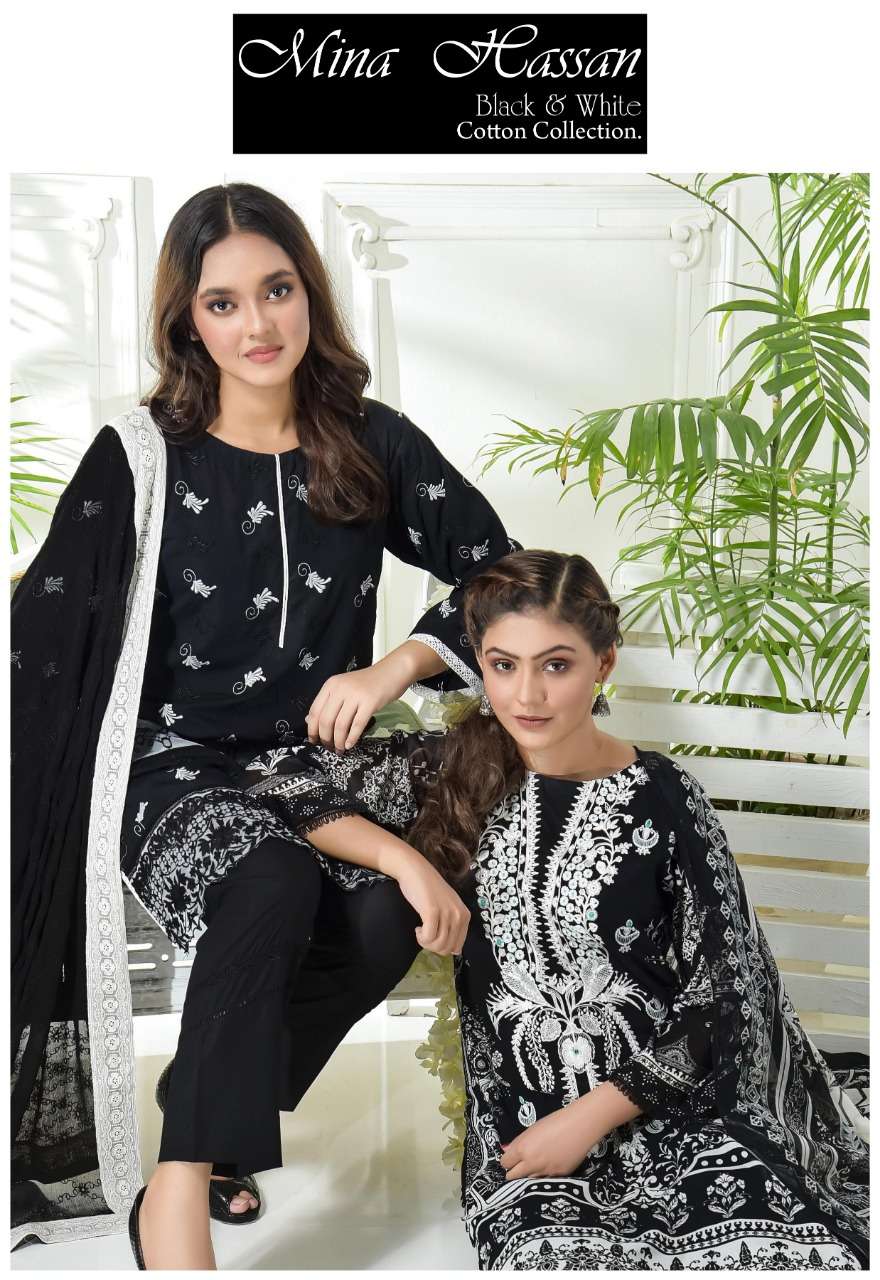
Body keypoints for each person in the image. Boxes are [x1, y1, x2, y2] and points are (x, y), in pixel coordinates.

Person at [11, 181, 519, 1267]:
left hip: (317, 766)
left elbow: (505, 575)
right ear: (186, 320)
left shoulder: (370, 443)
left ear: (310, 294)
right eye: (224, 302)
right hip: (169, 763)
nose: (258, 325)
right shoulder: (142, 456)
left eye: (277, 290)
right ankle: (177, 1193)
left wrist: (397, 663)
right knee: (273, 880)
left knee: (383, 917)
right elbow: (45, 628)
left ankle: (206, 1126)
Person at [253, 549, 869, 1270]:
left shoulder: (665, 795)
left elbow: (728, 997)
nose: (527, 695)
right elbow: (280, 781)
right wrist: (406, 863)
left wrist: (590, 1117)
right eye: (503, 665)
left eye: (556, 665)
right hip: (526, 1125)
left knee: (775, 1248)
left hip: (676, 1099)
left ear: (603, 664)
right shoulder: (451, 773)